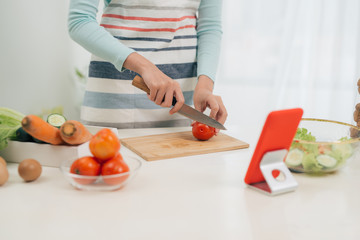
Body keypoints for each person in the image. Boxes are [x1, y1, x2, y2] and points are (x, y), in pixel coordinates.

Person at [68, 0, 227, 131]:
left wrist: (205, 86)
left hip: (181, 100)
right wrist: (146, 67)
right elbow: (80, 21)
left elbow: (209, 28)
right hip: (116, 99)